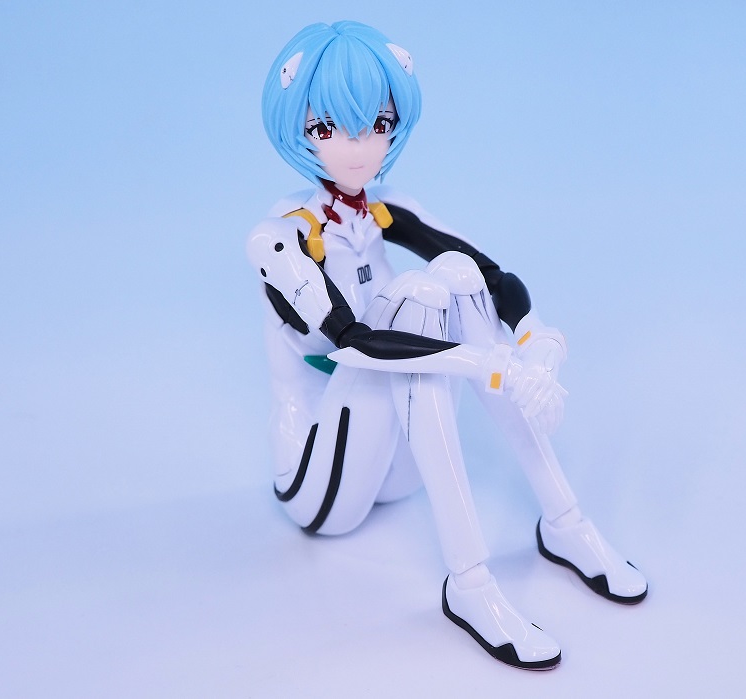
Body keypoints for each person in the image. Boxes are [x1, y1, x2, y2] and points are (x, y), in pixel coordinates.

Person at [247, 21, 647, 670]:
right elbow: (353, 341)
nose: (359, 146)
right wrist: (485, 364)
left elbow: (489, 272)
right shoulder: (277, 239)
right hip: (321, 478)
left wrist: (535, 341)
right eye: (328, 127)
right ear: (298, 129)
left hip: (396, 461)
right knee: (413, 293)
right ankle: (470, 582)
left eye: (378, 123)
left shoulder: (384, 206)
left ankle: (565, 522)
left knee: (454, 275)